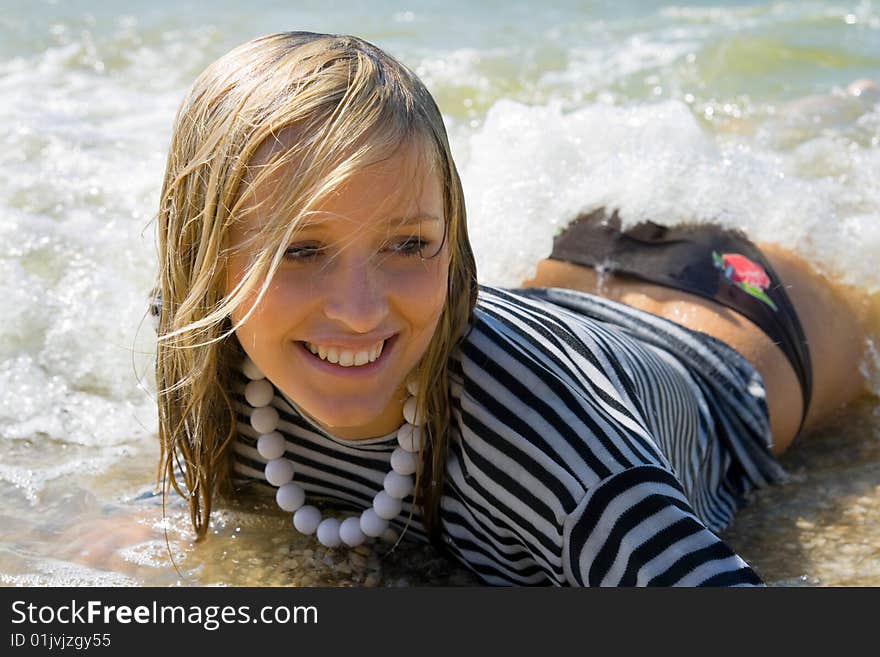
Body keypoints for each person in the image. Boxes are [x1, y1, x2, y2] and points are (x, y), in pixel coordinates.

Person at [152, 31, 871, 586]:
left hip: (742, 316)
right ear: (202, 259)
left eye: (408, 242)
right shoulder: (199, 342)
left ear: (452, 241)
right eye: (299, 250)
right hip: (582, 279)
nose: (360, 311)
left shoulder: (560, 456)